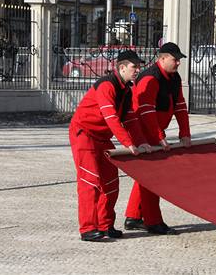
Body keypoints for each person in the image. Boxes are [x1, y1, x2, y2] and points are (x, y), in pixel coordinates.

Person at [69, 50, 151, 242]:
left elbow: (131, 120)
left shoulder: (127, 90)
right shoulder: (107, 85)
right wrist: (128, 144)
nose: (138, 70)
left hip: (102, 137)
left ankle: (105, 225)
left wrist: (142, 143)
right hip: (84, 134)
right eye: (134, 66)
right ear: (122, 67)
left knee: (111, 181)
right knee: (90, 180)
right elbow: (111, 118)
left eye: (139, 66)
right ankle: (88, 228)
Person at [124, 42, 191, 235]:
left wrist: (185, 134)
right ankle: (153, 221)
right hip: (142, 131)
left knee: (145, 177)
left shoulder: (174, 78)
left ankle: (133, 217)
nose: (178, 62)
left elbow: (180, 106)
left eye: (179, 59)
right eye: (175, 59)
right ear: (161, 58)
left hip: (153, 131)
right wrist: (159, 137)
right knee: (154, 176)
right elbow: (145, 112)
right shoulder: (150, 78)